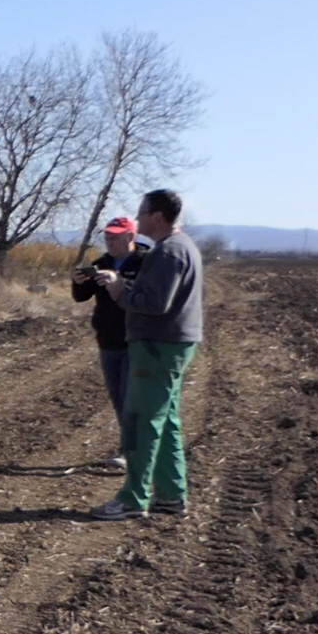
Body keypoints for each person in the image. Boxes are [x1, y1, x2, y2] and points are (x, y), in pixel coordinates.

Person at [90, 189, 203, 520]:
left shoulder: (167, 253)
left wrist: (119, 291)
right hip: (172, 345)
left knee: (140, 422)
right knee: (165, 421)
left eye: (141, 213)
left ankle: (132, 499)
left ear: (157, 216)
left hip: (157, 347)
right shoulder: (183, 248)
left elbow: (155, 304)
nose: (137, 219)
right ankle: (170, 494)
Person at [70, 216, 151, 468]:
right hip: (108, 340)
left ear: (130, 236)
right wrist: (77, 281)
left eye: (115, 237)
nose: (110, 241)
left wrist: (121, 284)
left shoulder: (147, 262)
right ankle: (130, 447)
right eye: (107, 237)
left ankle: (134, 453)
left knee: (132, 399)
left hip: (137, 341)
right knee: (118, 399)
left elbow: (152, 297)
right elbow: (81, 297)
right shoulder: (101, 263)